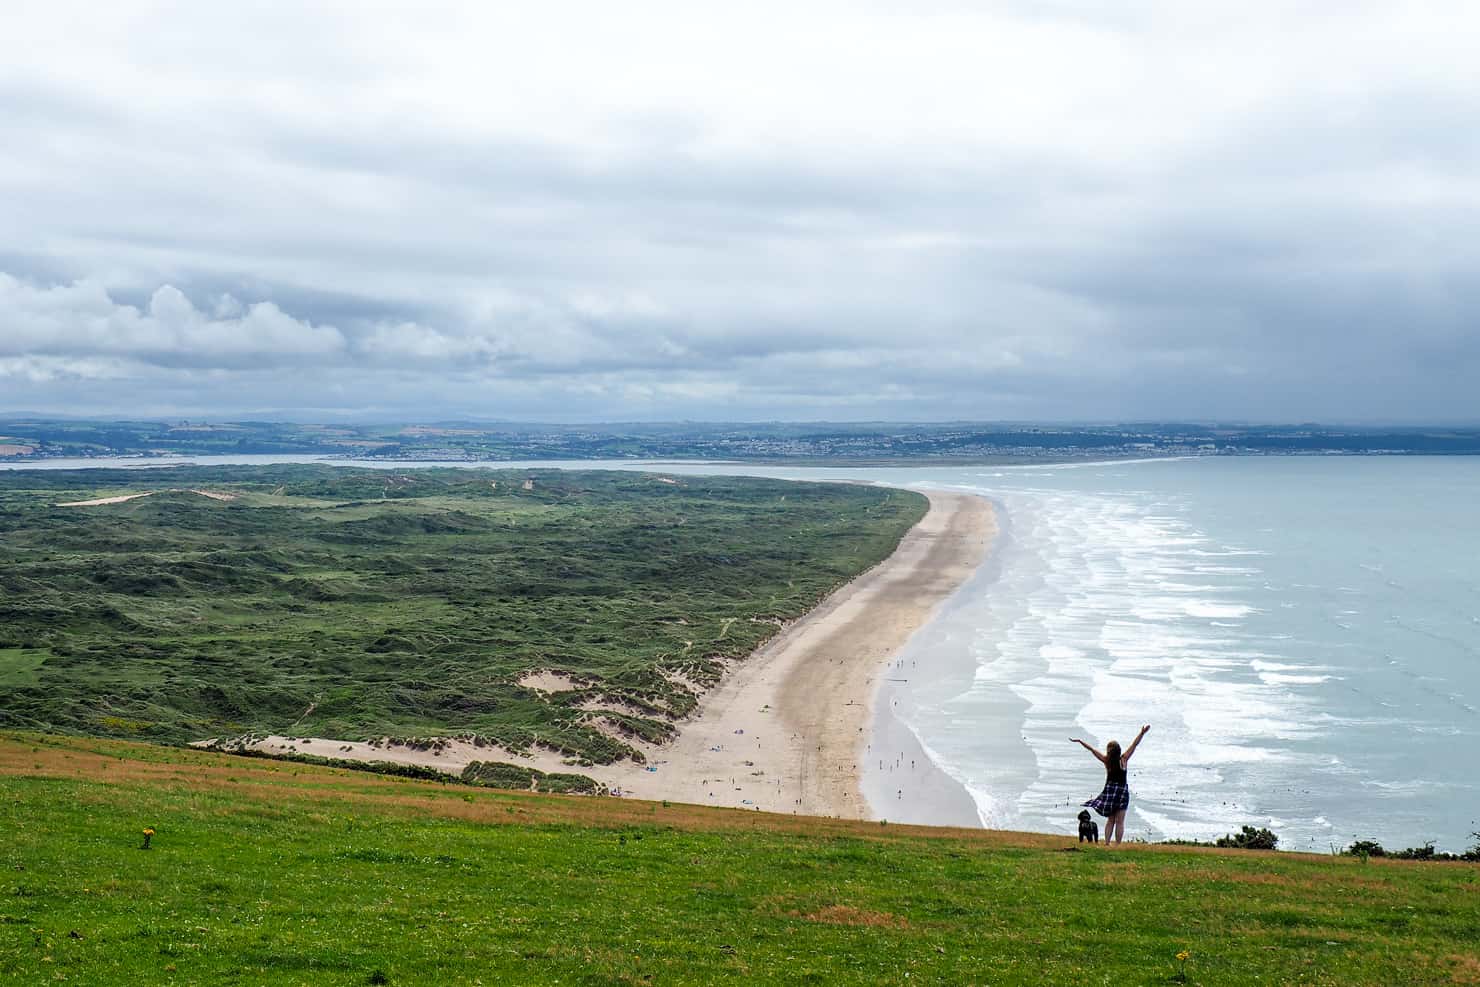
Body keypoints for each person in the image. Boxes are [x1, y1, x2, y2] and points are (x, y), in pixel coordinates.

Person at [1070, 725, 1149, 845]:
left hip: (1110, 792)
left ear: (1109, 751)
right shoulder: (1124, 759)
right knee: (1120, 821)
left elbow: (1092, 750)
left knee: (1111, 820)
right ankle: (1117, 844)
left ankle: (1107, 843)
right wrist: (1142, 733)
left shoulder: (1107, 761)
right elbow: (1134, 745)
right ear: (1119, 750)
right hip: (1122, 792)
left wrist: (1081, 741)